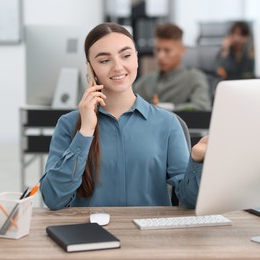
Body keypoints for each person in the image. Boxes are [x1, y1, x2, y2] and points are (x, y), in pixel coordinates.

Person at [40, 23, 208, 210]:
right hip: (89, 234)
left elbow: (190, 200)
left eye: (126, 56)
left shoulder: (168, 124)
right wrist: (85, 132)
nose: (118, 67)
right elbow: (53, 199)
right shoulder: (68, 124)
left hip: (150, 235)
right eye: (104, 60)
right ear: (90, 68)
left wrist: (197, 160)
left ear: (136, 58)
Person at [134, 23, 211, 111]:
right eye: (158, 50)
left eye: (167, 50)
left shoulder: (194, 78)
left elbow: (201, 107)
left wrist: (165, 109)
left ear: (182, 50)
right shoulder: (147, 80)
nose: (160, 56)